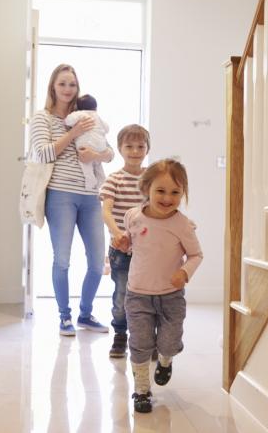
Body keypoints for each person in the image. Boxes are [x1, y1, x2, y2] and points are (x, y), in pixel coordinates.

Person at [114, 158, 203, 413]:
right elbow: (131, 243)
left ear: (183, 193)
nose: (167, 198)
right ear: (147, 190)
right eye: (161, 191)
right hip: (138, 294)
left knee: (169, 343)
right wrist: (123, 243)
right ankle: (141, 390)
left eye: (175, 192)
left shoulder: (182, 225)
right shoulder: (133, 216)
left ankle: (166, 359)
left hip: (171, 296)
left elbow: (197, 255)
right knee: (140, 343)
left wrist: (184, 272)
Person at [30, 64, 113, 336]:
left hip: (91, 196)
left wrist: (96, 156)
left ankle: (86, 314)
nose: (67, 89)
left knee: (97, 261)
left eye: (72, 85)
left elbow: (109, 150)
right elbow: (42, 154)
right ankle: (64, 316)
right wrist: (72, 134)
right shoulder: (42, 118)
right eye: (62, 83)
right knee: (62, 259)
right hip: (60, 195)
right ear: (53, 86)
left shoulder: (87, 116)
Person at [99, 124, 150, 358]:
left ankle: (147, 339)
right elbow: (106, 212)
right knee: (122, 295)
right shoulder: (114, 179)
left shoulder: (151, 179)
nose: (135, 151)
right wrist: (118, 233)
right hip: (121, 251)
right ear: (120, 149)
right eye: (129, 146)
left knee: (149, 296)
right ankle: (120, 334)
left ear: (147, 149)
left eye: (140, 146)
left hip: (149, 251)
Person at [65, 94, 109, 190]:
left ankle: (90, 181)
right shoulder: (97, 116)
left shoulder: (80, 114)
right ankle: (102, 181)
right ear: (96, 107)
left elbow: (68, 121)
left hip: (85, 144)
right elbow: (107, 128)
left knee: (85, 163)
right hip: (100, 146)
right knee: (97, 164)